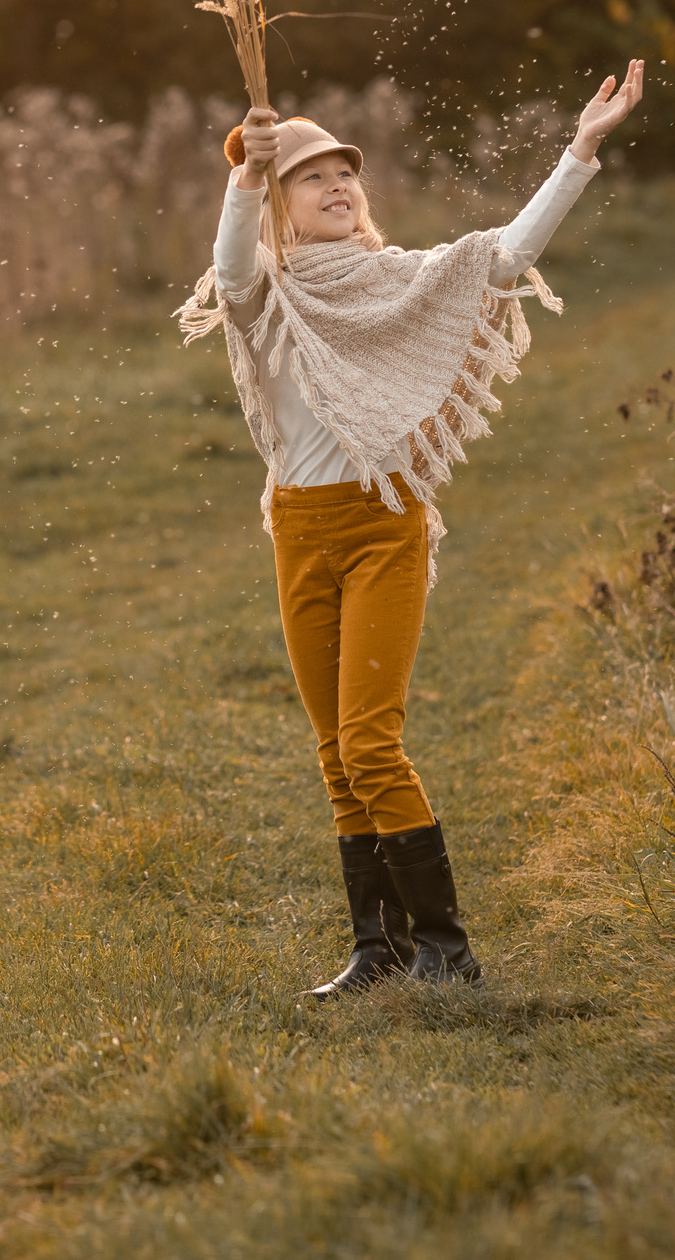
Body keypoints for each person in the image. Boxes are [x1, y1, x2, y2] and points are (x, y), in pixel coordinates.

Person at [176, 62, 646, 999]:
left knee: (370, 741)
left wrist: (581, 150)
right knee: (332, 751)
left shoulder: (400, 283)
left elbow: (504, 257)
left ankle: (448, 948)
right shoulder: (264, 291)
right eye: (310, 176)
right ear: (278, 203)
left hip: (383, 526)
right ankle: (377, 947)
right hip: (300, 531)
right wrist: (241, 177)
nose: (337, 185)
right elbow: (230, 268)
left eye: (345, 173)